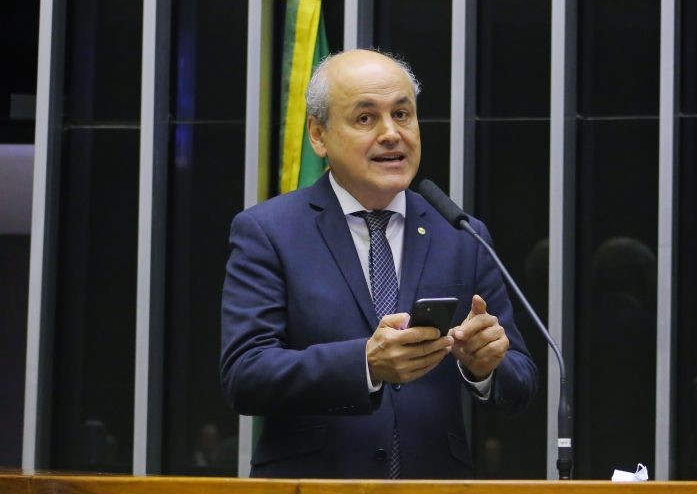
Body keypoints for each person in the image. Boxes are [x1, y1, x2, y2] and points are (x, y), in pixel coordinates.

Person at [220, 49, 537, 479]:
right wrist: (364, 365)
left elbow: (520, 380)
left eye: (402, 114)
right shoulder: (269, 231)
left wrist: (484, 366)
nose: (391, 134)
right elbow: (245, 374)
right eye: (366, 118)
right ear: (318, 134)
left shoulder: (462, 235)